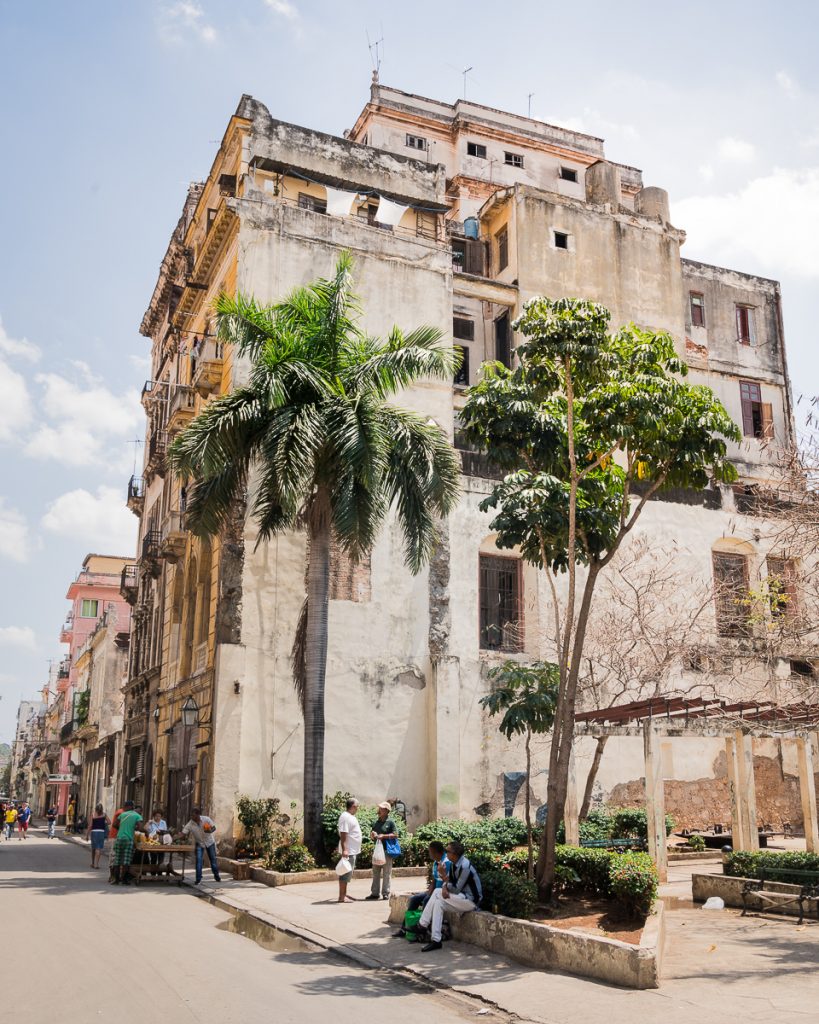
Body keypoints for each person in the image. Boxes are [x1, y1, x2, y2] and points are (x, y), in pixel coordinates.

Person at [418, 840, 482, 952]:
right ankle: (436, 940)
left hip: (470, 901)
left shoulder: (465, 866)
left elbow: (456, 889)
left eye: (447, 851)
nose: (445, 853)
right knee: (438, 903)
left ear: (455, 854)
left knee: (437, 892)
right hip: (461, 898)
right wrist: (444, 885)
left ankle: (422, 924)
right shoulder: (453, 865)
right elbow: (450, 883)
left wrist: (443, 878)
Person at [393, 841, 449, 938]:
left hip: (442, 893)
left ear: (436, 852)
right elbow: (435, 880)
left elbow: (448, 881)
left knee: (427, 900)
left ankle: (422, 929)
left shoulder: (446, 863)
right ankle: (404, 929)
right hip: (434, 891)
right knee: (414, 899)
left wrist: (430, 895)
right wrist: (429, 892)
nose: (429, 854)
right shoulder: (436, 862)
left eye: (430, 851)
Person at [180, 807, 222, 885]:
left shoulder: (206, 819)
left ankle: (217, 876)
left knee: (213, 860)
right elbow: (183, 833)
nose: (192, 817)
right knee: (199, 861)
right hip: (199, 843)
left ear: (198, 815)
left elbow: (214, 828)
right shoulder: (190, 823)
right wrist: (178, 836)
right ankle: (198, 879)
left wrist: (210, 830)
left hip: (209, 842)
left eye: (193, 816)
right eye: (191, 816)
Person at [367, 801, 399, 902]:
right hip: (377, 851)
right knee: (375, 872)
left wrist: (384, 836)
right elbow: (373, 835)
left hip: (387, 851)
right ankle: (375, 893)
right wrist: (372, 835)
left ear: (386, 811)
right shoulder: (377, 822)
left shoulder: (390, 822)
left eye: (381, 809)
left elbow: (395, 834)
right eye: (379, 808)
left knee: (386, 873)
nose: (379, 810)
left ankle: (386, 893)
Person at [110, 800, 145, 885]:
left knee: (117, 860)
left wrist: (122, 829)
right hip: (128, 840)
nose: (124, 808)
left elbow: (114, 824)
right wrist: (146, 832)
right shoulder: (137, 816)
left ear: (128, 807)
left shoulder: (122, 814)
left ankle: (116, 879)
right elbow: (140, 828)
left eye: (125, 807)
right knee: (126, 861)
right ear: (132, 807)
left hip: (119, 838)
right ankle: (124, 879)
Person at [336, 797, 362, 904]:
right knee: (345, 873)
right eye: (357, 806)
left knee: (347, 873)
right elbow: (343, 834)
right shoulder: (345, 817)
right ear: (353, 806)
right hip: (349, 851)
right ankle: (342, 897)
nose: (358, 808)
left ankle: (344, 894)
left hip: (352, 850)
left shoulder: (350, 816)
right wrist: (345, 850)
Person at [87, 804, 110, 869]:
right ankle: (96, 864)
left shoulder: (93, 814)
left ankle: (92, 863)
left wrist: (87, 835)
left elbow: (90, 825)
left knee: (93, 848)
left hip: (94, 832)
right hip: (101, 833)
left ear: (95, 809)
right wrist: (103, 823)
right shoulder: (104, 814)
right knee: (98, 848)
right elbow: (109, 822)